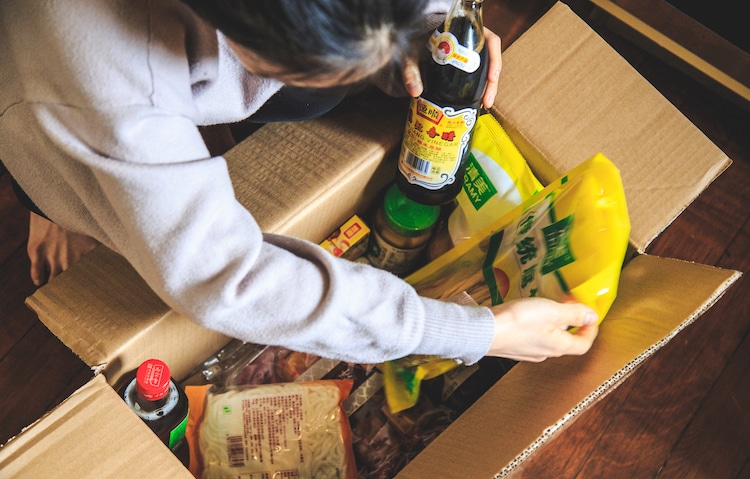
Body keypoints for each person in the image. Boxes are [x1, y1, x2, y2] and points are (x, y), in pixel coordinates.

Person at [0, 0, 599, 366]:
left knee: (321, 96)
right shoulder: (104, 80)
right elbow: (223, 278)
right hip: (43, 97)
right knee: (64, 172)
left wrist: (435, 25)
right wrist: (470, 331)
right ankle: (49, 195)